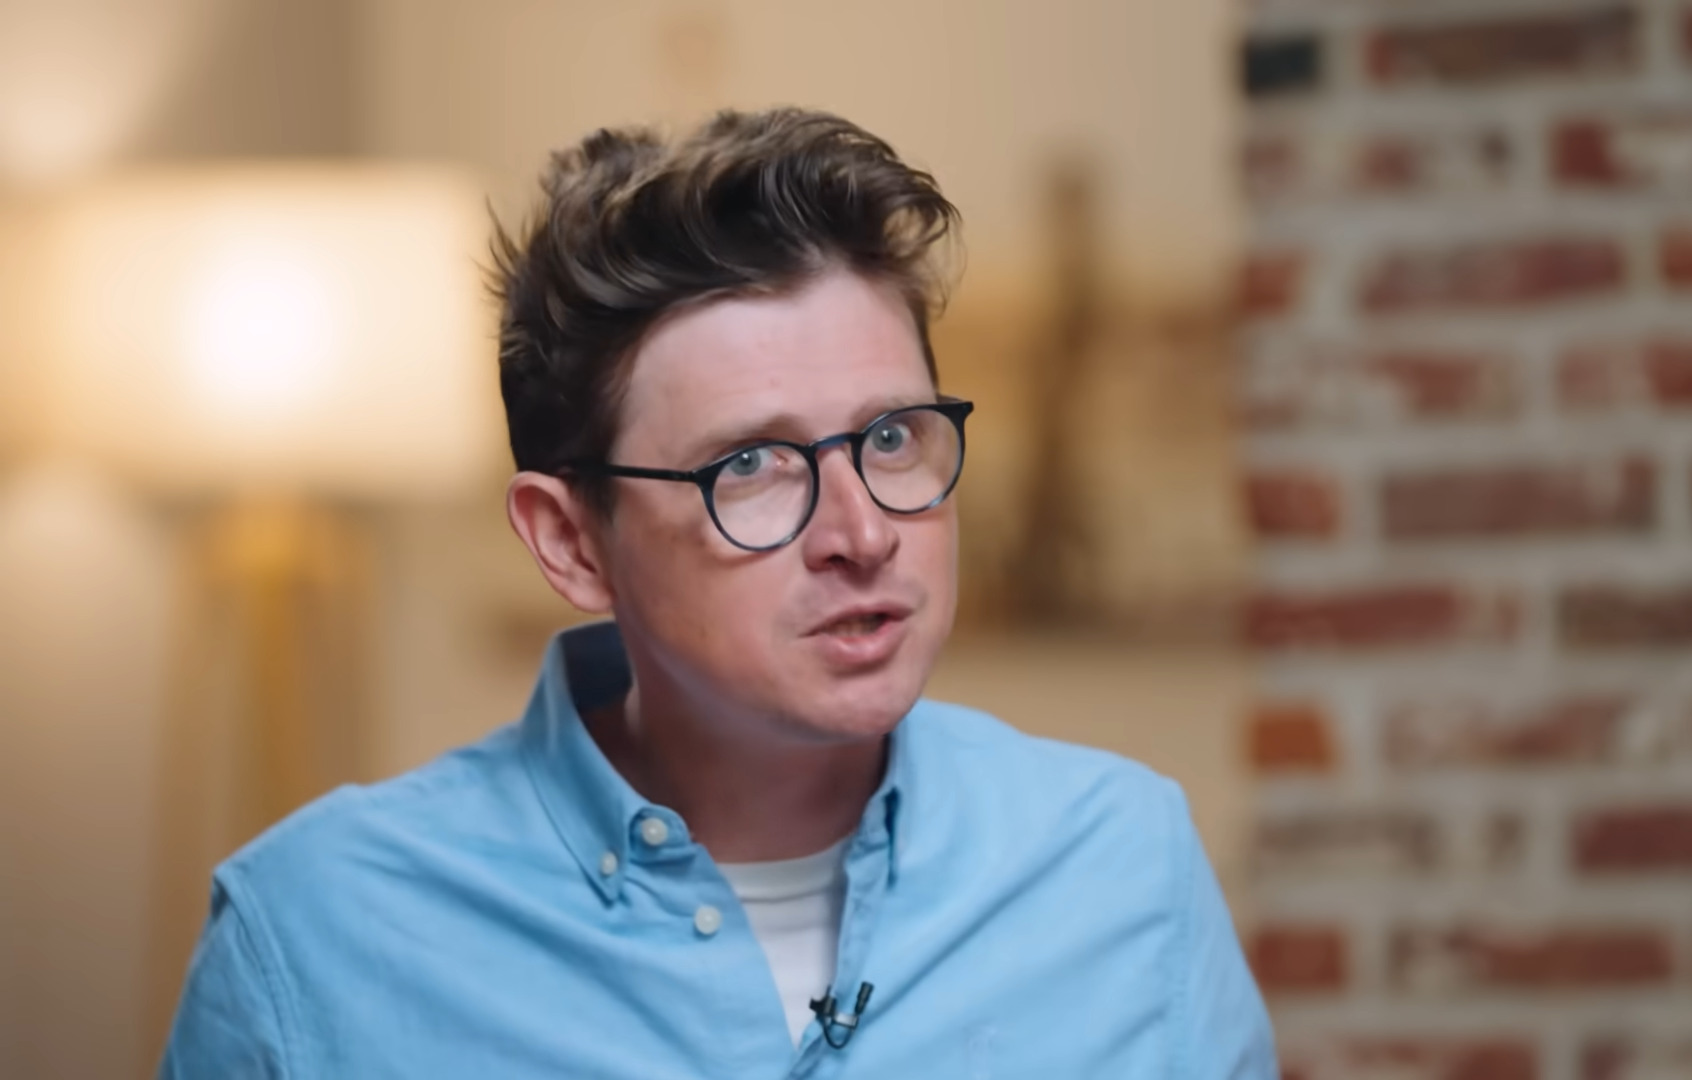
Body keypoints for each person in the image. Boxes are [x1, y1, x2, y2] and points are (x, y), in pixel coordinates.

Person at [160, 107, 1275, 1078]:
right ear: (571, 543)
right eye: (750, 464)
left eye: (891, 437)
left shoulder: (1120, 866)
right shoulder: (314, 937)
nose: (862, 534)